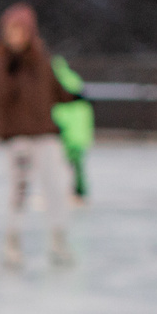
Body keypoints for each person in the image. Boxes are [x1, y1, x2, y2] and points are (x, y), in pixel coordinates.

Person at [0, 2, 73, 270]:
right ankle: (12, 242)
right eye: (12, 31)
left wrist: (75, 96)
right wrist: (9, 68)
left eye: (21, 30)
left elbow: (55, 90)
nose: (16, 37)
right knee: (19, 191)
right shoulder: (1, 61)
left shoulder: (41, 59)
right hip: (18, 137)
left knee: (55, 188)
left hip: (44, 133)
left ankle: (58, 240)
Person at [48, 51, 94, 203]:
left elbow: (61, 110)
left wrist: (58, 126)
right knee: (77, 165)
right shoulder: (75, 80)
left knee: (59, 164)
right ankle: (79, 192)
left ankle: (61, 193)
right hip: (79, 133)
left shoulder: (57, 84)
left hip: (67, 132)